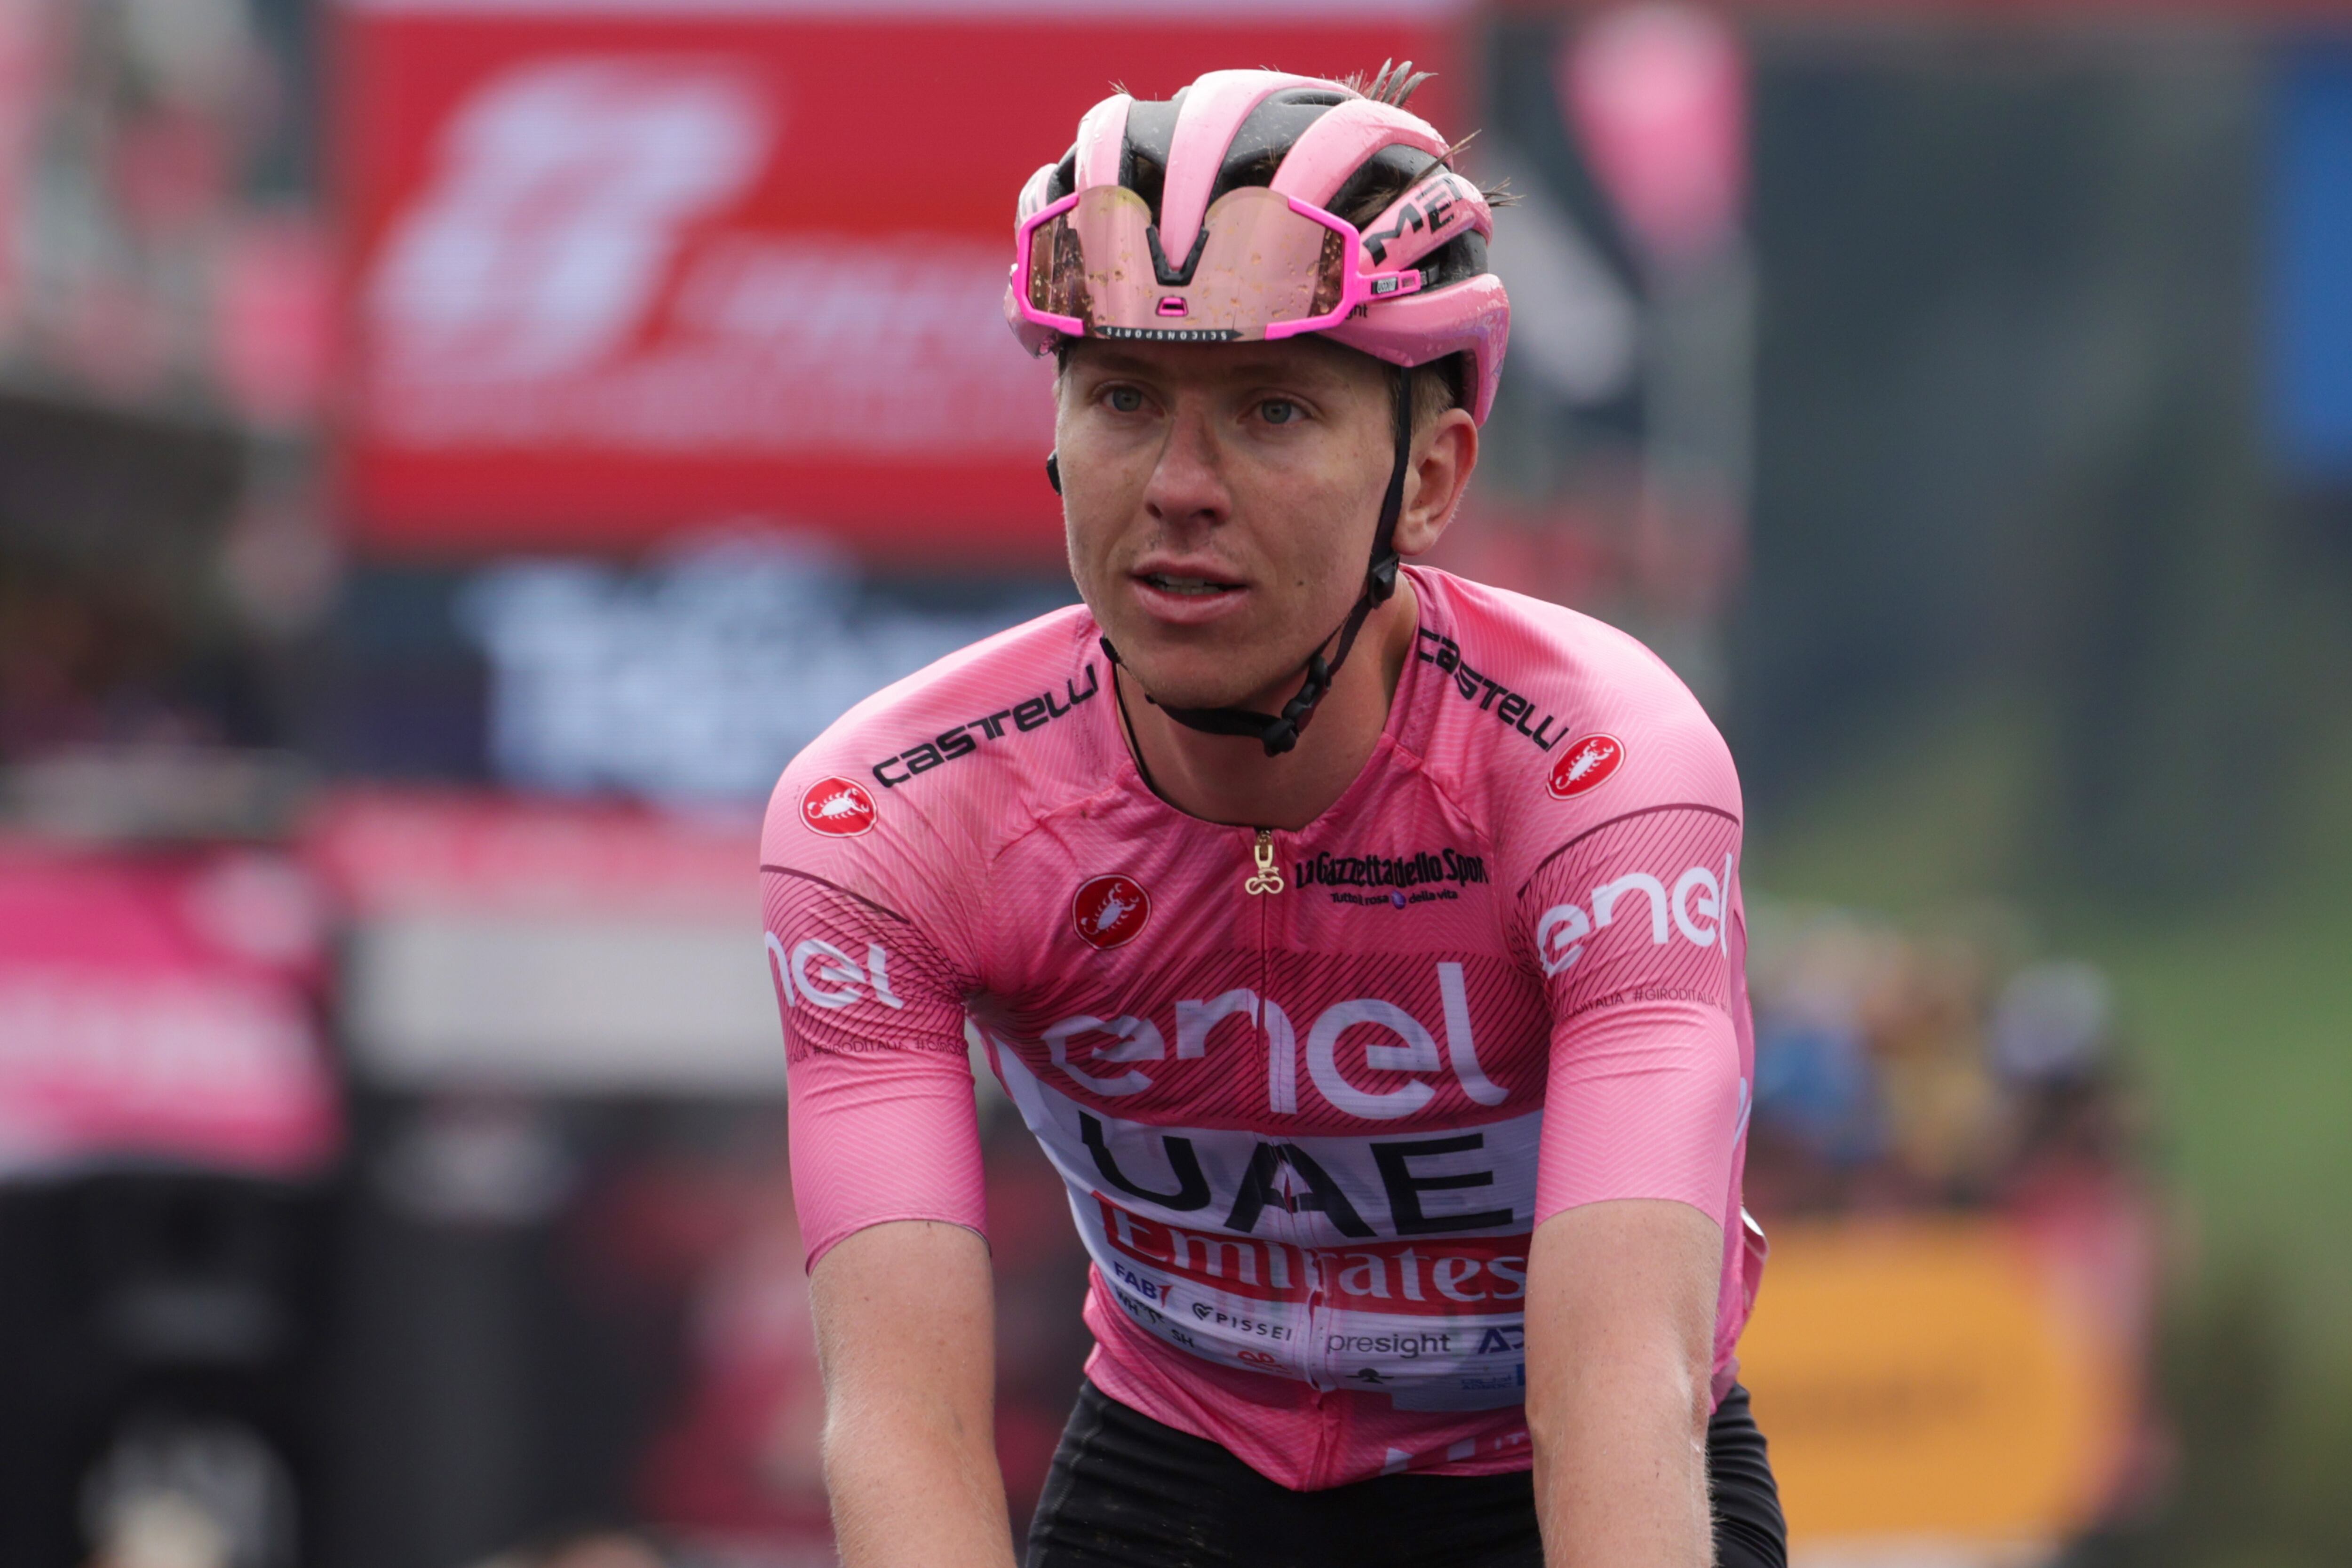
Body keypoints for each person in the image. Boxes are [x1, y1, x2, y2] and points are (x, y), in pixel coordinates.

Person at [760, 64, 1782, 1568]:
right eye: (1121, 398)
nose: (1179, 487)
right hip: (1186, 1468)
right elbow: (899, 1427)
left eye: (1273, 409)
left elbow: (1617, 1395)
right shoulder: (890, 819)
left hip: (1541, 1464)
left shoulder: (1598, 776)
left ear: (1428, 480)